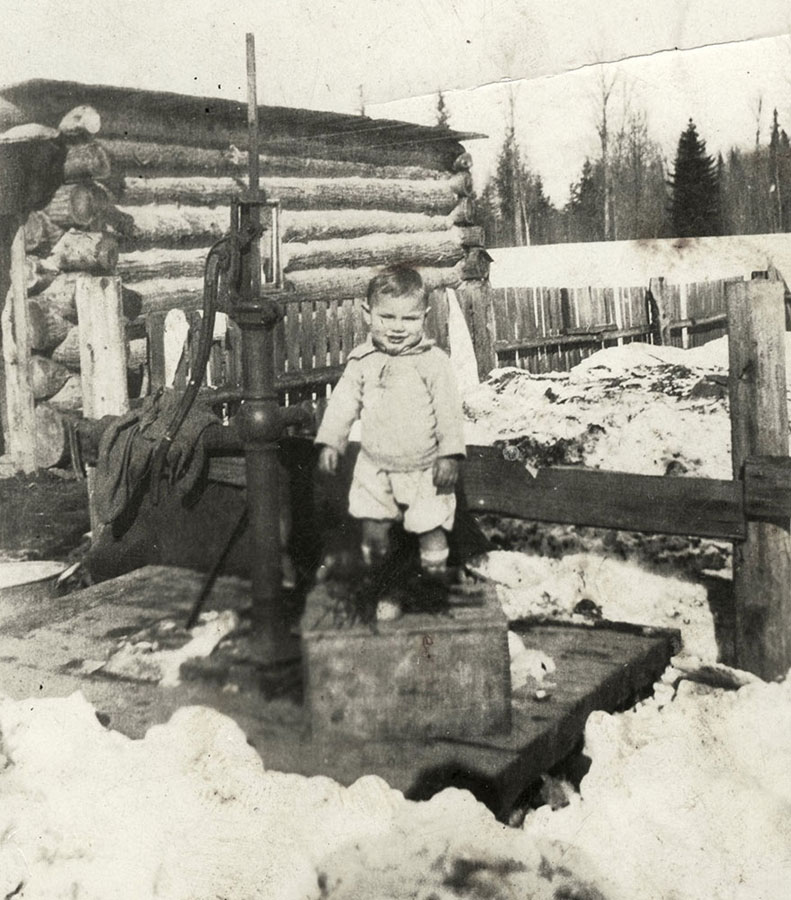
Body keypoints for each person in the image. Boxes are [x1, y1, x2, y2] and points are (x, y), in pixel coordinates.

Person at [315, 265, 466, 581]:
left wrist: (449, 454)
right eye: (388, 317)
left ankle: (434, 584)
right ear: (368, 314)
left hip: (425, 467)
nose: (398, 327)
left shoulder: (433, 362)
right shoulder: (362, 362)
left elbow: (448, 411)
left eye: (409, 319)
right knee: (373, 528)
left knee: (431, 528)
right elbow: (343, 403)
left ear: (424, 316)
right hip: (375, 466)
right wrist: (331, 441)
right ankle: (381, 585)